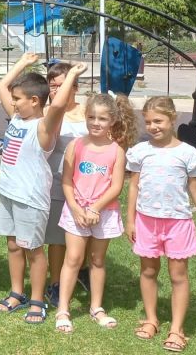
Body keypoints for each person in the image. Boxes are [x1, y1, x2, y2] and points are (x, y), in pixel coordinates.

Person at [0, 52, 86, 323]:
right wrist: (23, 63)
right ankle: (16, 292)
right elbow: (2, 87)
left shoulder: (43, 128)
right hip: (7, 193)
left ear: (34, 101)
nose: (13, 103)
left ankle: (36, 299)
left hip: (30, 198)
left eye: (18, 99)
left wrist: (70, 76)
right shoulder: (18, 118)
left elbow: (56, 107)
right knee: (12, 245)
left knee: (33, 249)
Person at [126, 97, 196, 353]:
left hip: (178, 222)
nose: (153, 126)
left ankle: (177, 329)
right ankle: (151, 319)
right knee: (148, 271)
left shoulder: (187, 153)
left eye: (158, 121)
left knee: (178, 276)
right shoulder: (140, 151)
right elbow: (133, 186)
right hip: (146, 221)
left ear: (172, 119)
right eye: (148, 122)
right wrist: (130, 219)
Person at [54, 93, 137, 333]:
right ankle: (63, 309)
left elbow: (116, 186)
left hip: (104, 212)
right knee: (73, 259)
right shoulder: (76, 145)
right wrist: (78, 208)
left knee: (97, 261)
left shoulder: (116, 151)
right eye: (91, 117)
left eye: (102, 118)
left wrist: (95, 208)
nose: (95, 123)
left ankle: (96, 307)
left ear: (112, 120)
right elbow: (67, 181)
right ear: (85, 117)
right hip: (76, 211)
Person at [44, 61, 90, 307]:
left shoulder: (87, 112)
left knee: (86, 233)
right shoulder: (47, 112)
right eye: (52, 86)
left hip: (86, 185)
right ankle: (55, 282)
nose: (56, 90)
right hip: (54, 182)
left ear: (75, 86)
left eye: (62, 85)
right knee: (56, 238)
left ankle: (82, 271)